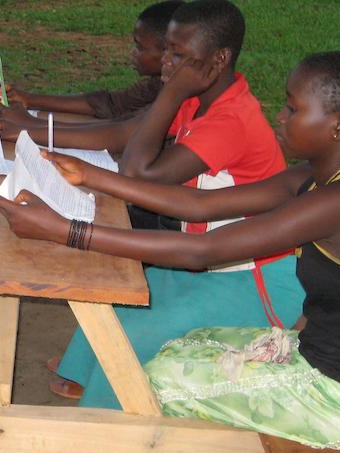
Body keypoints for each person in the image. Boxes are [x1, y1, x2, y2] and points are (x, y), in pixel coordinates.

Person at [0, 50, 340, 453]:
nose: (280, 116)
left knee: (160, 382)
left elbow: (203, 250)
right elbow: (197, 206)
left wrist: (67, 232)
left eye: (293, 108)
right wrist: (91, 175)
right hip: (321, 364)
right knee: (182, 350)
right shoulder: (314, 181)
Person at [48, 0, 304, 415]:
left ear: (218, 60)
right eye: (167, 50)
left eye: (179, 55)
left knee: (140, 336)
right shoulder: (196, 98)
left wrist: (171, 91)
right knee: (115, 298)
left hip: (253, 282)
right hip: (206, 264)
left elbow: (138, 174)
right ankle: (87, 378)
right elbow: (128, 135)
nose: (167, 62)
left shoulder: (231, 119)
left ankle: (98, 452)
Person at [0, 1, 182, 152]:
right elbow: (112, 107)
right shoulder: (161, 85)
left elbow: (121, 132)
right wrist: (29, 103)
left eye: (140, 47)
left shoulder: (182, 98)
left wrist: (28, 127)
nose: (133, 53)